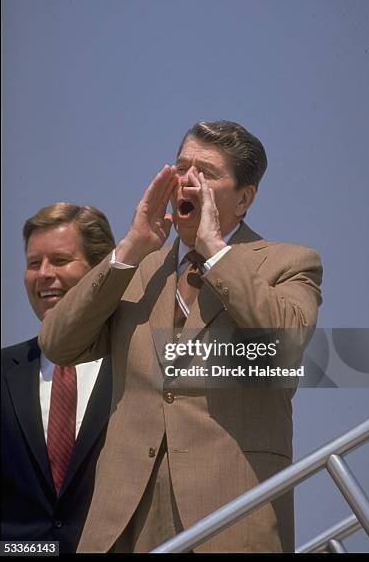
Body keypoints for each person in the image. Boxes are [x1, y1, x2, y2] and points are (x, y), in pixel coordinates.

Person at [39, 121, 323, 553]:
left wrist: (214, 250)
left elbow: (286, 342)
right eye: (182, 166)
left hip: (230, 516)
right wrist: (132, 246)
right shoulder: (135, 269)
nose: (188, 180)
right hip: (125, 518)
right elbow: (57, 344)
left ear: (244, 198)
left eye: (206, 173)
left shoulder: (289, 263)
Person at [1, 202, 115, 553]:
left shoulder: (138, 362)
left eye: (60, 261)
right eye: (34, 263)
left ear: (100, 270)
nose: (44, 274)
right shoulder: (4, 369)